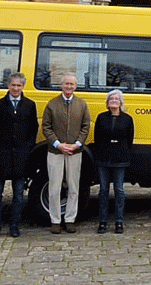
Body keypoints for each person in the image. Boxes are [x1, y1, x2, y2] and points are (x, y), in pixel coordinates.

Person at [0, 72, 38, 239]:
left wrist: (27, 147)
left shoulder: (30, 105)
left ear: (23, 86)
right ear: (8, 86)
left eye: (19, 85)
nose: (16, 88)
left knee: (19, 195)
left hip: (21, 158)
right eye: (13, 85)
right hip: (1, 157)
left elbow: (33, 129)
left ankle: (14, 225)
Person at [42, 73, 91, 234]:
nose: (69, 87)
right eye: (66, 84)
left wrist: (76, 144)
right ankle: (55, 220)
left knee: (73, 187)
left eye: (72, 84)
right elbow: (46, 127)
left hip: (75, 152)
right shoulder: (52, 104)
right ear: (62, 85)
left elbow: (86, 126)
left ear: (75, 86)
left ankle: (70, 219)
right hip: (55, 151)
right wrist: (58, 144)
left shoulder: (82, 104)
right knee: (54, 188)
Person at [92, 89, 134, 234]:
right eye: (111, 99)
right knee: (103, 190)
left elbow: (129, 140)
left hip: (120, 159)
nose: (114, 101)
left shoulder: (127, 119)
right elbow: (97, 138)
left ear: (121, 102)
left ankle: (119, 222)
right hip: (103, 158)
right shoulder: (101, 117)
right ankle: (102, 222)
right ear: (107, 103)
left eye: (116, 99)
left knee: (119, 190)